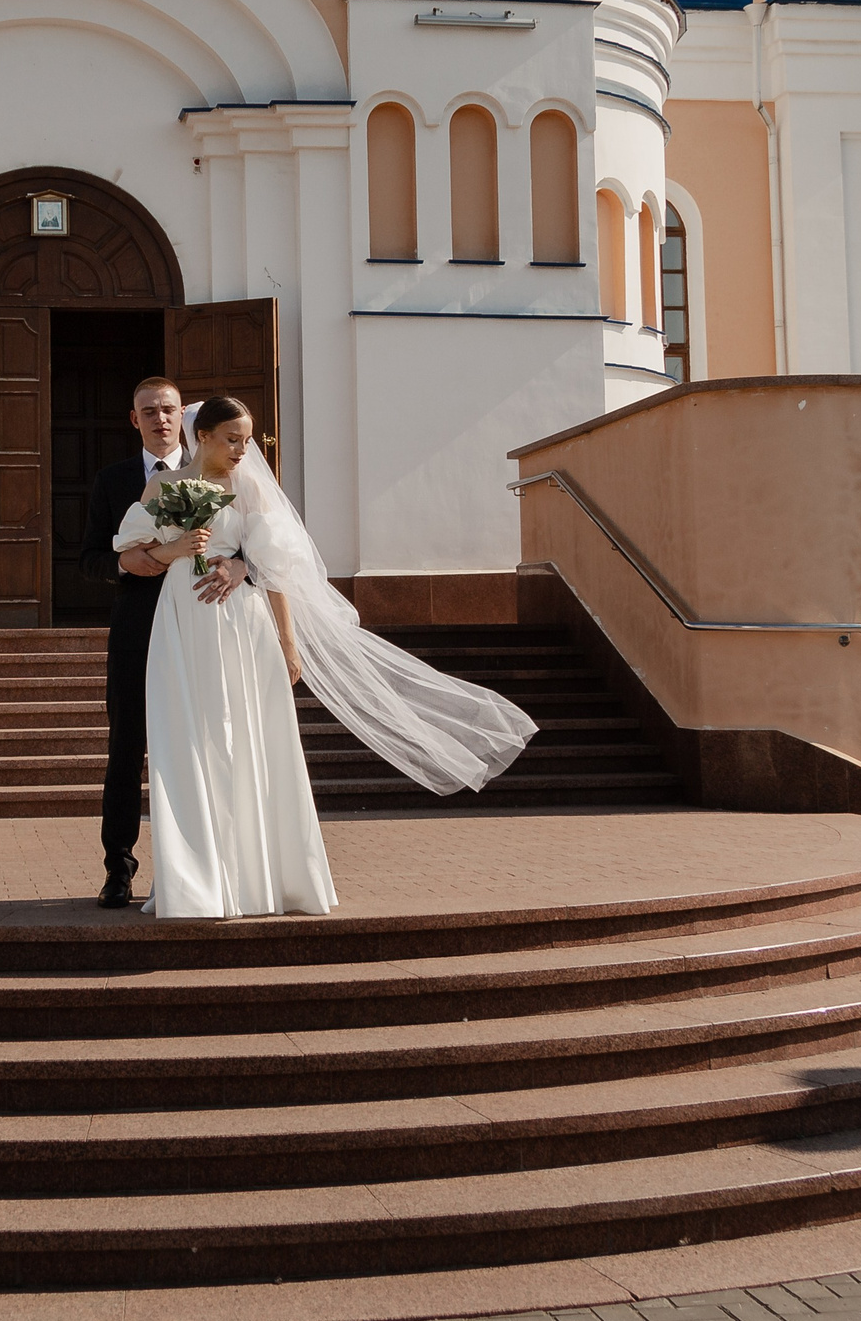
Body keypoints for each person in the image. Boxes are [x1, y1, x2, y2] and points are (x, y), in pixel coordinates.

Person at [112, 397, 540, 919]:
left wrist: (282, 634)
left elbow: (276, 568)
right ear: (202, 436)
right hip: (182, 624)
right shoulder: (162, 487)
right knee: (190, 746)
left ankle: (262, 881)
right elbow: (131, 558)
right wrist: (176, 552)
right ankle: (198, 883)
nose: (244, 450)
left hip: (242, 629)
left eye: (248, 440)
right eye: (232, 439)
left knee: (249, 742)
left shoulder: (247, 489)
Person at [76, 377, 245, 908]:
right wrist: (128, 562)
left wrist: (239, 565)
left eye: (168, 409)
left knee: (205, 745)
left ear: (184, 419)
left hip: (203, 629)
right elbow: (91, 560)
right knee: (126, 749)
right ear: (135, 419)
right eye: (148, 411)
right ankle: (118, 869)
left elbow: (258, 548)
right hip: (138, 630)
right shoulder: (112, 480)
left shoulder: (222, 470)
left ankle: (207, 869)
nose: (159, 418)